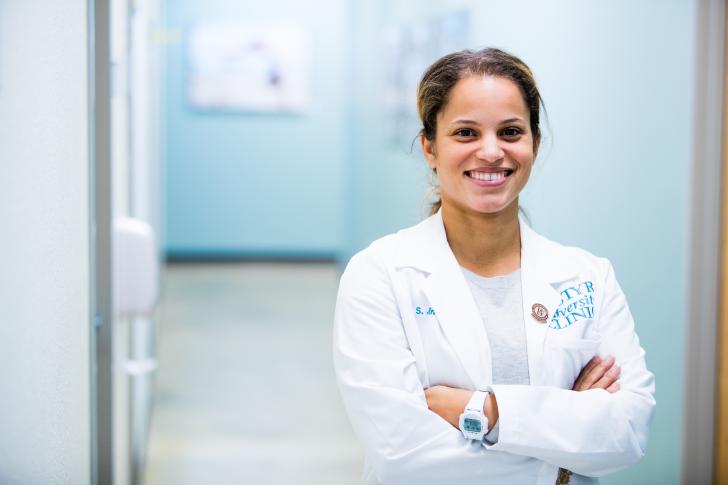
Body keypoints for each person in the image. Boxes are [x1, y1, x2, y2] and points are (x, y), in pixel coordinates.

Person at [332, 48, 655, 485]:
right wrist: (564, 446)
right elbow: (401, 454)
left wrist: (484, 412)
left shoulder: (587, 276)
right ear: (429, 146)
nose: (490, 151)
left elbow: (628, 433)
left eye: (510, 131)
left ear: (534, 145)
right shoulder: (379, 274)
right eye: (465, 132)